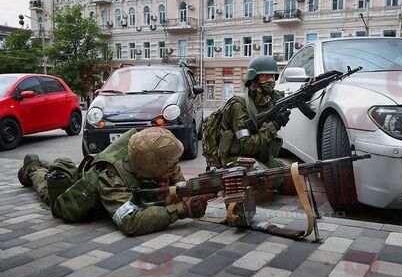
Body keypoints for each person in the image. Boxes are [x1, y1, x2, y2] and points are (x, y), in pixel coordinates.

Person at [18, 127, 213, 236]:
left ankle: (46, 166)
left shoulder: (161, 159)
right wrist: (180, 210)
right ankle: (34, 169)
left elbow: (176, 187)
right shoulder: (111, 177)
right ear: (153, 167)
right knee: (49, 194)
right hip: (84, 197)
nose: (175, 168)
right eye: (171, 165)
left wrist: (196, 193)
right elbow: (129, 221)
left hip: (114, 178)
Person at [219, 56, 295, 195]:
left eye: (272, 76)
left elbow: (295, 97)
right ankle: (232, 182)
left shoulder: (270, 99)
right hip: (238, 158)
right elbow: (247, 146)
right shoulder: (239, 106)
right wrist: (274, 125)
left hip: (260, 155)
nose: (270, 80)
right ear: (254, 78)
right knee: (268, 179)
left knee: (293, 181)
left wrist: (312, 85)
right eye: (265, 76)